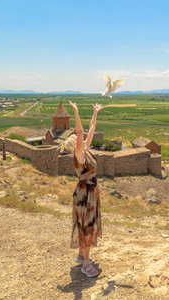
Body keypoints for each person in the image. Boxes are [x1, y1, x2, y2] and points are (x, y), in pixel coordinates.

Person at [61, 100, 103, 277]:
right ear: (75, 144)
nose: (82, 139)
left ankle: (80, 255)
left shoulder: (85, 150)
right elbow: (80, 132)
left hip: (89, 191)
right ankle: (86, 264)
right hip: (85, 194)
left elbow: (90, 129)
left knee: (85, 225)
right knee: (87, 227)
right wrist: (76, 112)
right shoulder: (79, 154)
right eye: (78, 139)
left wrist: (95, 113)